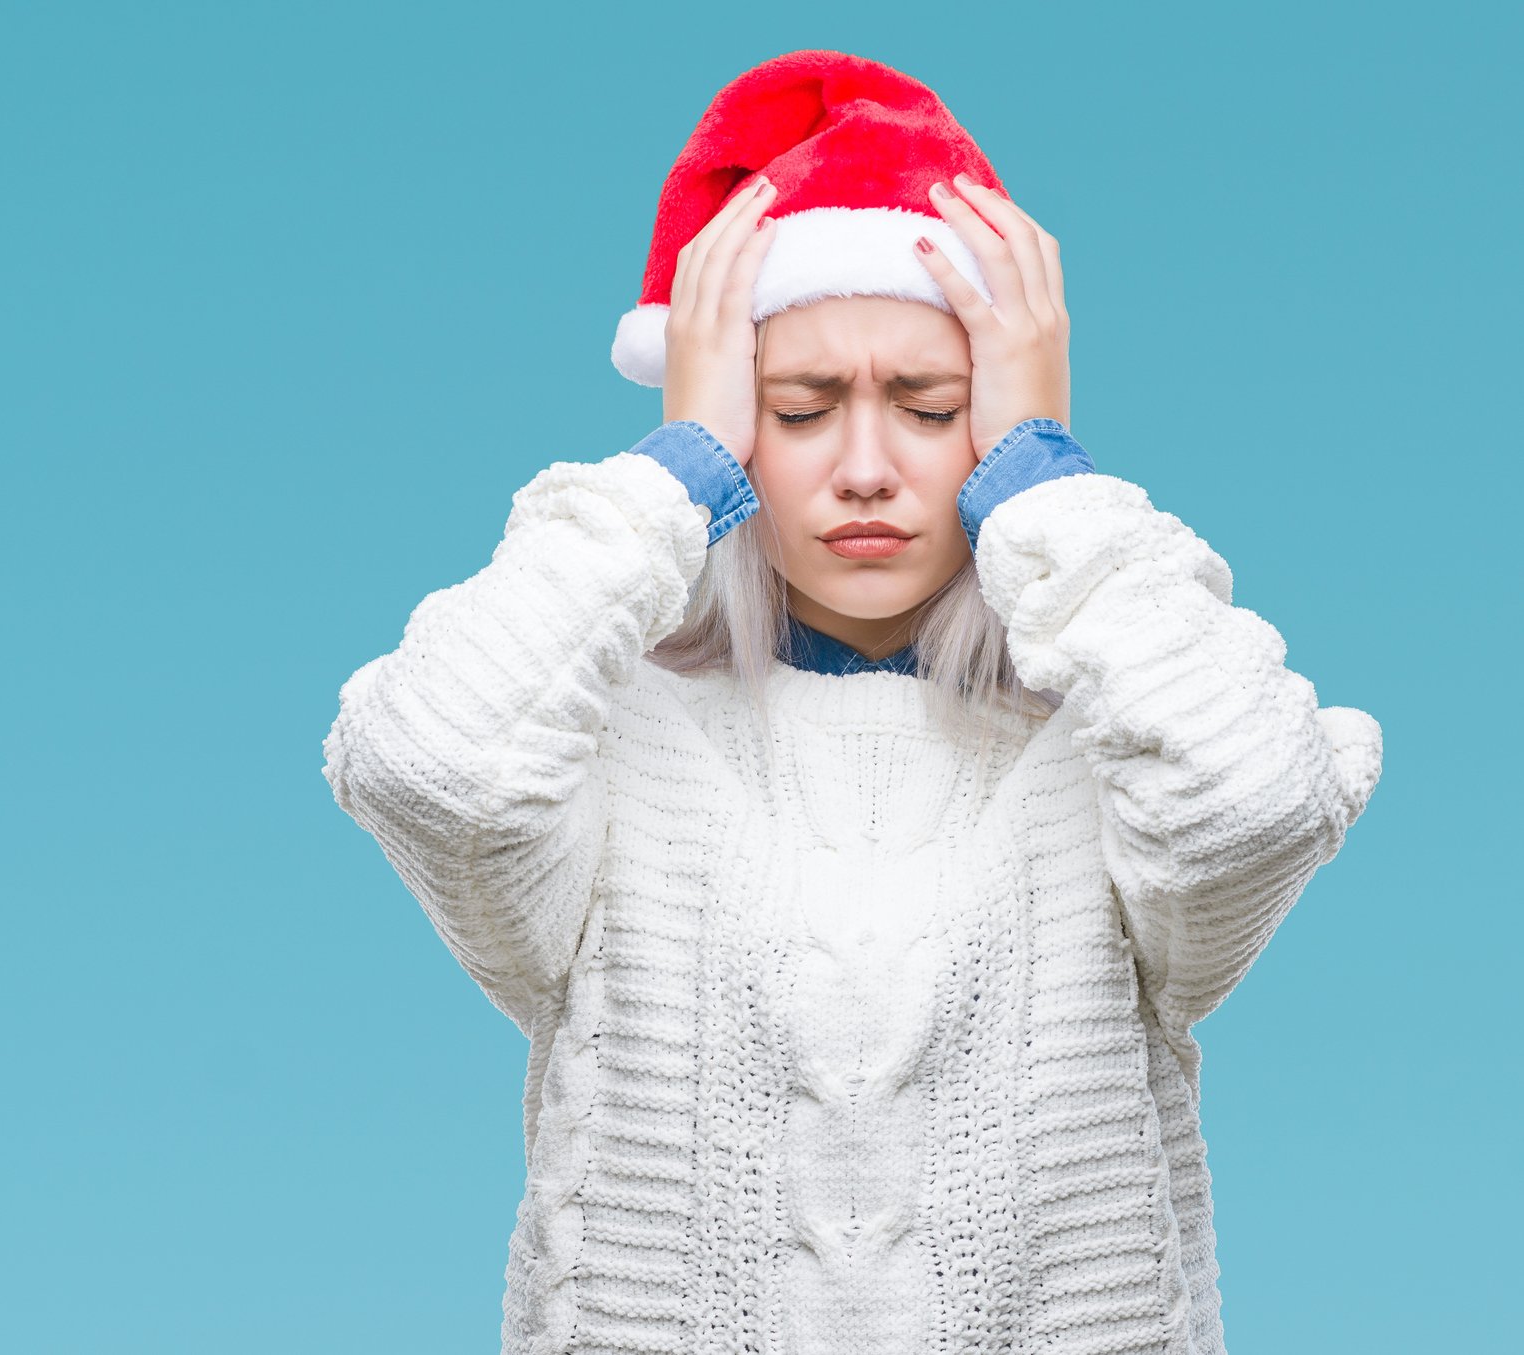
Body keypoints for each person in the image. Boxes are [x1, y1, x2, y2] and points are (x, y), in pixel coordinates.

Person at [319, 50, 1382, 1355]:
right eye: (798, 408)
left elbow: (1255, 804)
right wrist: (676, 471)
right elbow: (430, 767)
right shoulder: (600, 749)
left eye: (932, 410)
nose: (867, 468)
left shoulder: (1114, 748)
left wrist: (1043, 483)